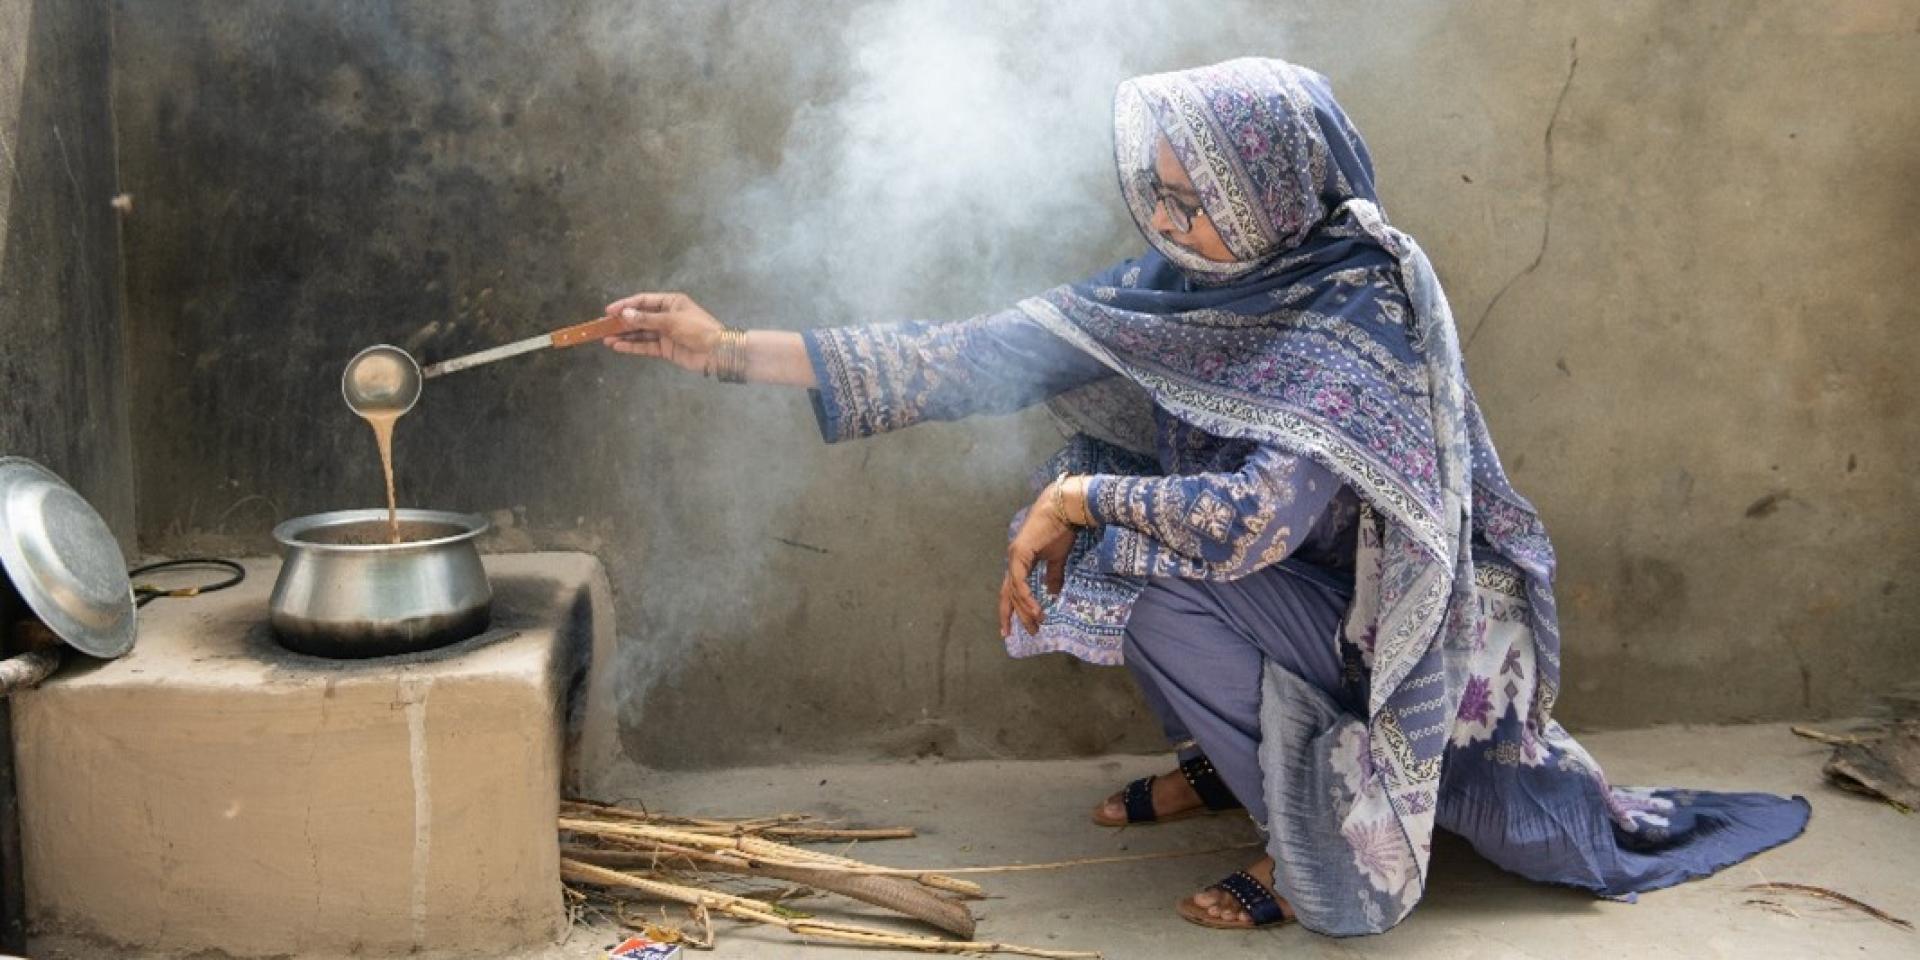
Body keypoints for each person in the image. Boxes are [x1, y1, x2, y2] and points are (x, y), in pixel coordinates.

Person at [598, 57, 1809, 937]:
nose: (1170, 222)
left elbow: (1249, 522)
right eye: (1160, 195)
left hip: (1396, 636)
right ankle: (1239, 767)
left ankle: (1311, 840)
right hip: (1302, 598)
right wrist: (725, 348)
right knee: (1113, 529)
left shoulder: (1353, 307)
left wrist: (1079, 497)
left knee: (1146, 563)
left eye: (1195, 201)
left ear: (1267, 190)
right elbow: (973, 355)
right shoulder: (1187, 284)